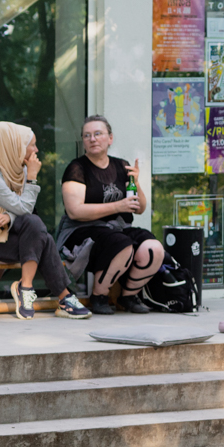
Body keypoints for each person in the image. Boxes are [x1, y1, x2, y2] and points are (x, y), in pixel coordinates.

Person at [0, 121, 90, 321]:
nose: (36, 150)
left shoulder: (21, 172)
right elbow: (25, 210)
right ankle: (54, 295)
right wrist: (32, 179)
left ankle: (35, 290)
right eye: (32, 145)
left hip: (4, 233)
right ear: (16, 147)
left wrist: (10, 217)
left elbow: (26, 212)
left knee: (38, 233)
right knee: (42, 238)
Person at [58, 115, 164, 315]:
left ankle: (128, 295)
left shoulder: (121, 166)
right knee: (121, 243)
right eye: (87, 135)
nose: (92, 139)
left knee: (153, 248)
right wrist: (117, 206)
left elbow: (139, 208)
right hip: (82, 230)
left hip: (118, 229)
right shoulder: (77, 168)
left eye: (98, 134)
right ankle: (99, 295)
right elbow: (75, 211)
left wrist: (136, 183)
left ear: (110, 138)